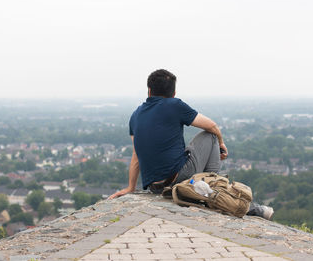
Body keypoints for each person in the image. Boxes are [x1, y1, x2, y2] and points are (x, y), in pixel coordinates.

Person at [109, 69, 273, 220]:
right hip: (178, 177)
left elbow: (137, 155)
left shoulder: (135, 115)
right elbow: (212, 126)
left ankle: (207, 189)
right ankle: (213, 189)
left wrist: (130, 187)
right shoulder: (174, 104)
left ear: (149, 91)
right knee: (210, 136)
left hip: (155, 187)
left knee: (187, 149)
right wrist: (221, 143)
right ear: (174, 93)